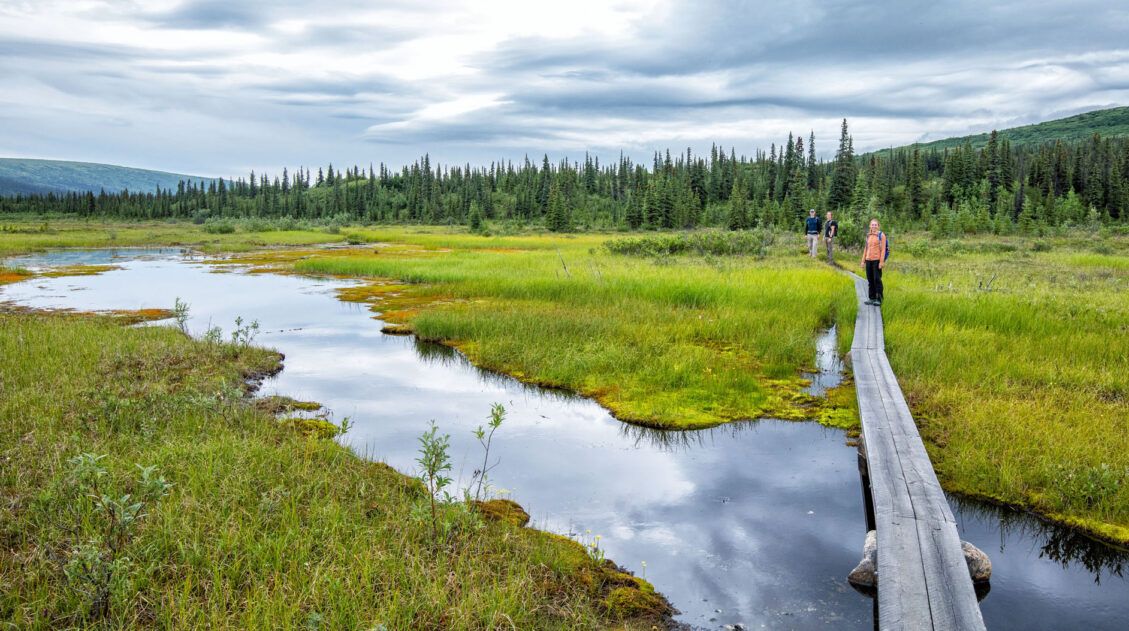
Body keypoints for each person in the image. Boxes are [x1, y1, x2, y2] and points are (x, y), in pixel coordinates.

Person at [860, 218, 887, 306]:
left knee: (877, 279)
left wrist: (881, 262)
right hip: (868, 260)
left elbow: (883, 250)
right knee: (870, 280)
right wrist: (863, 261)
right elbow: (866, 249)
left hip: (877, 260)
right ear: (870, 226)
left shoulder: (881, 235)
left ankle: (879, 299)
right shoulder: (868, 235)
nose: (874, 226)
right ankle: (872, 298)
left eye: (875, 225)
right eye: (872, 224)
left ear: (878, 226)